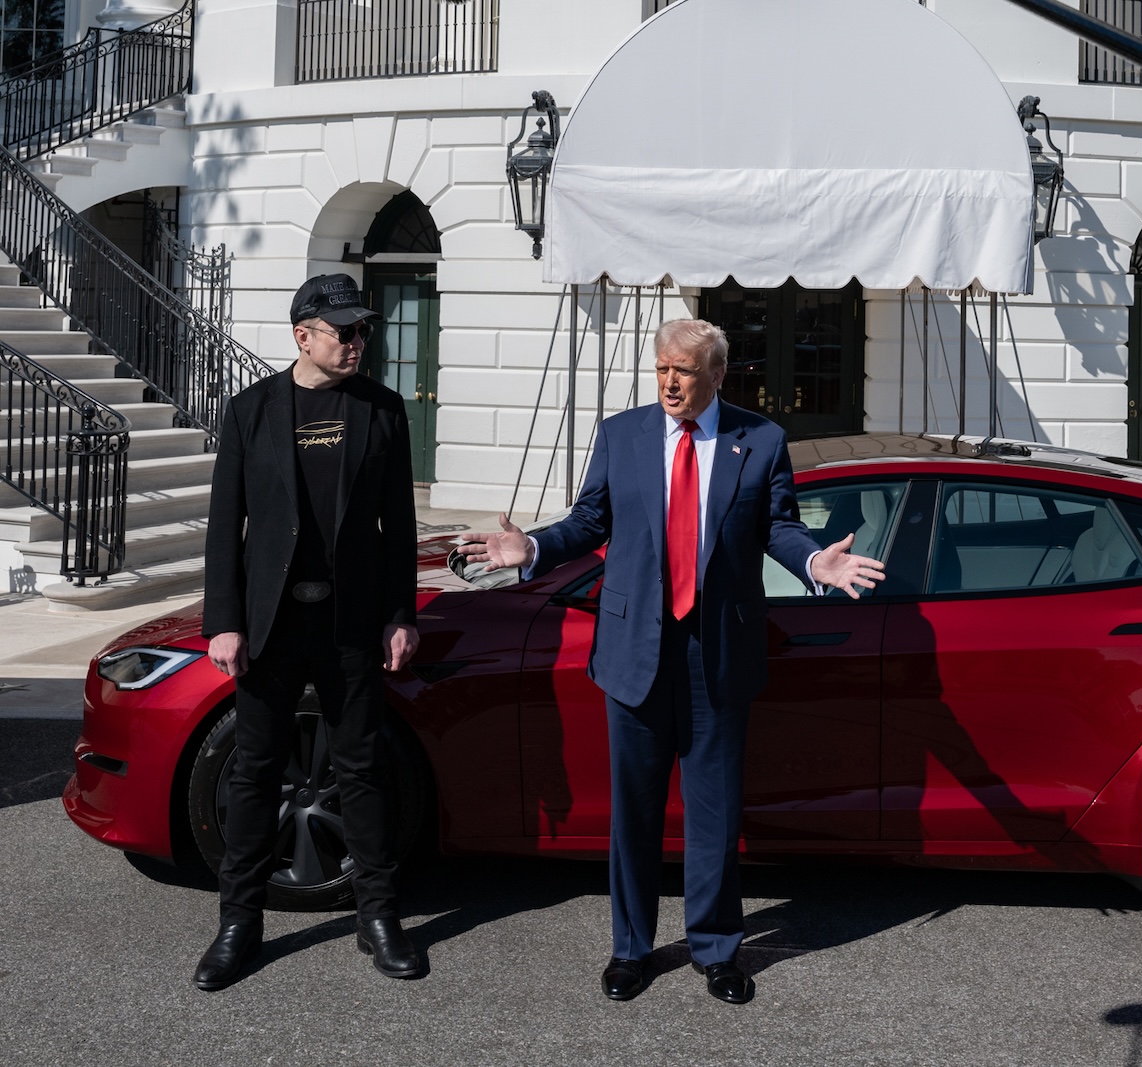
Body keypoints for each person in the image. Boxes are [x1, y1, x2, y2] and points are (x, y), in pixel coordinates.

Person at [461, 318, 884, 1005]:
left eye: (684, 370)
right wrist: (533, 549)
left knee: (714, 810)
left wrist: (812, 558)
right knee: (634, 809)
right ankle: (630, 948)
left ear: (718, 374)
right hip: (634, 649)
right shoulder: (622, 434)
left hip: (717, 649)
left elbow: (776, 524)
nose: (669, 381)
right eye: (660, 367)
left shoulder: (762, 439)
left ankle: (717, 948)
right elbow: (589, 520)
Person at [194, 273, 422, 991]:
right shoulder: (251, 411)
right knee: (257, 772)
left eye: (362, 331)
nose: (357, 342)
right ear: (303, 336)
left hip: (352, 622)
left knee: (361, 769)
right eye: (343, 331)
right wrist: (224, 620)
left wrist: (400, 612)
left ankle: (378, 916)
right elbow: (224, 524)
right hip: (272, 625)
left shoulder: (382, 411)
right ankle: (239, 923)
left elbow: (399, 528)